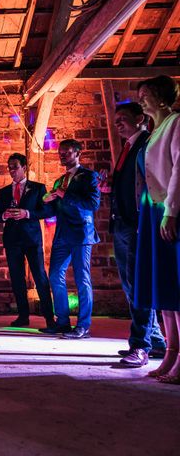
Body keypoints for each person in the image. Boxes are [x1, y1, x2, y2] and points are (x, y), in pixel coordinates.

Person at [99, 103, 166, 367]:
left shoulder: (146, 144)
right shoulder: (127, 147)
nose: (117, 125)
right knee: (130, 286)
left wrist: (145, 221)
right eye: (115, 121)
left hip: (138, 225)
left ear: (140, 118)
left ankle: (140, 346)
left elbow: (153, 184)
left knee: (139, 286)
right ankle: (157, 341)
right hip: (121, 226)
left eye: (123, 119)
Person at [133, 75, 180, 383]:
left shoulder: (176, 123)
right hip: (151, 214)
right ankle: (171, 354)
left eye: (146, 94)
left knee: (176, 287)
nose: (141, 100)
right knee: (161, 287)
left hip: (168, 212)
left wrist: (171, 211)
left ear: (162, 97)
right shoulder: (152, 131)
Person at [41, 139, 101, 339]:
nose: (62, 155)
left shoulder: (88, 176)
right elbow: (55, 208)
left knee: (82, 279)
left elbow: (92, 203)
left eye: (66, 152)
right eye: (60, 152)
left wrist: (63, 195)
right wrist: (46, 202)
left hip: (81, 234)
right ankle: (63, 322)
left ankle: (83, 326)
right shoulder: (59, 180)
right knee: (55, 275)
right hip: (62, 236)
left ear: (77, 153)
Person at [0, 154, 55, 329]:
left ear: (24, 168)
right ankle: (23, 316)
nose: (11, 170)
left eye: (15, 166)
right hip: (12, 240)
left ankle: (49, 318)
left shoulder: (37, 188)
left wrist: (27, 214)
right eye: (9, 167)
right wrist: (3, 215)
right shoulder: (4, 191)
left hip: (31, 239)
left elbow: (47, 211)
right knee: (17, 278)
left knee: (40, 277)